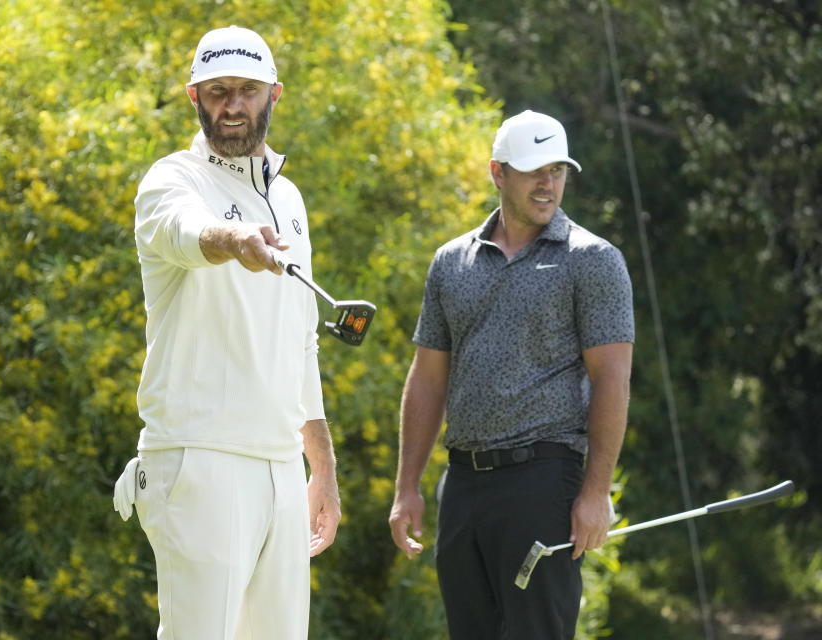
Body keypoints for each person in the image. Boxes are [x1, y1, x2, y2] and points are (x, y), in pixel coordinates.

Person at [112, 25, 341, 640]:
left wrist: (320, 466)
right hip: (198, 456)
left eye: (247, 90)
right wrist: (237, 241)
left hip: (279, 464)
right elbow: (190, 234)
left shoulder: (288, 197)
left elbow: (301, 340)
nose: (233, 105)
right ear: (194, 96)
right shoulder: (171, 180)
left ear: (274, 95)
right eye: (217, 92)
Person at [388, 109, 634, 639]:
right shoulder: (451, 262)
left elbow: (613, 380)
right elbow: (428, 378)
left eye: (558, 170)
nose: (548, 184)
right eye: (533, 170)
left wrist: (596, 493)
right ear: (498, 173)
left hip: (544, 483)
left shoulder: (593, 261)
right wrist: (407, 486)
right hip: (464, 484)